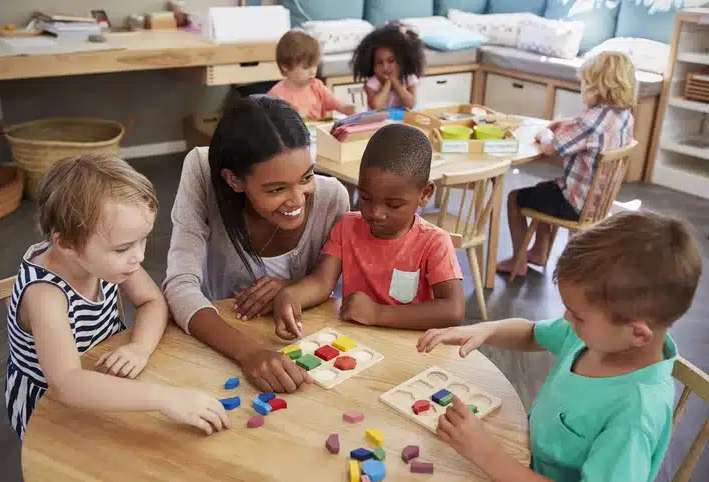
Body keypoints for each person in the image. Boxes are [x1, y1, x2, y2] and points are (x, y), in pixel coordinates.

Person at [417, 211, 702, 482]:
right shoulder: (600, 337)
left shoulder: (635, 415)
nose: (567, 319)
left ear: (639, 335)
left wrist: (488, 455)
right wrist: (485, 329)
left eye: (577, 315)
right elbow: (531, 333)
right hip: (523, 458)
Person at [5, 154, 230, 440]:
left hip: (107, 373)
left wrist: (139, 348)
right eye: (123, 248)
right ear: (66, 244)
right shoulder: (45, 295)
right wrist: (165, 398)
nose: (139, 256)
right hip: (50, 409)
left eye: (143, 239)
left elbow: (152, 301)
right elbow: (66, 384)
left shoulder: (103, 258)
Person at [163, 95, 351, 393]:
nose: (297, 200)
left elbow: (332, 285)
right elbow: (179, 285)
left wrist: (292, 286)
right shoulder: (203, 171)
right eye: (276, 189)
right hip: (219, 342)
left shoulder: (332, 199)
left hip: (299, 350)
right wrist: (248, 353)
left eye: (306, 177)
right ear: (234, 181)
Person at [272, 123, 464, 339]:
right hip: (356, 343)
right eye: (365, 198)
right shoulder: (347, 227)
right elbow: (322, 283)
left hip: (410, 348)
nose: (376, 213)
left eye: (393, 205)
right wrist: (291, 295)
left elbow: (453, 310)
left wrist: (378, 313)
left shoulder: (435, 243)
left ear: (425, 194)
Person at [497, 51, 636, 276]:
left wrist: (545, 133)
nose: (581, 89)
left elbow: (551, 148)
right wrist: (568, 124)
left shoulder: (589, 123)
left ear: (599, 87)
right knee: (545, 189)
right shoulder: (624, 116)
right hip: (599, 201)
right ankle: (539, 253)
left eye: (584, 84)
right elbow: (585, 133)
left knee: (516, 198)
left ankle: (518, 261)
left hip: (576, 204)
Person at [267, 30, 355, 120]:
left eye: (315, 65)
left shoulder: (317, 86)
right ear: (285, 66)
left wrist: (348, 109)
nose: (313, 71)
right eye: (306, 67)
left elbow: (338, 105)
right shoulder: (276, 95)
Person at [351, 22, 425, 110]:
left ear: (401, 60)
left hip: (404, 120)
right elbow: (376, 107)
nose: (385, 67)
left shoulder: (409, 78)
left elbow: (411, 104)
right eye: (379, 63)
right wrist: (387, 84)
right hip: (380, 122)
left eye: (391, 61)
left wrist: (395, 82)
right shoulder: (373, 83)